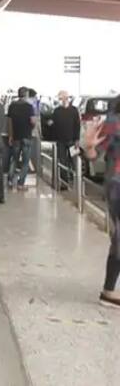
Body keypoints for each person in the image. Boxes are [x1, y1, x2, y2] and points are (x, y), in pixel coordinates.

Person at [84, 97, 120, 309]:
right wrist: (88, 147)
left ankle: (108, 291)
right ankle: (108, 292)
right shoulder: (113, 122)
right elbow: (93, 153)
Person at [7, 87, 37, 190]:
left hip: (16, 136)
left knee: (14, 159)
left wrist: (10, 135)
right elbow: (33, 121)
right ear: (26, 95)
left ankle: (10, 181)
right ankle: (20, 184)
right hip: (26, 136)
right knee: (25, 162)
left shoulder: (12, 106)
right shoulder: (29, 107)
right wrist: (31, 127)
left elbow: (9, 122)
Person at [51, 90, 81, 190]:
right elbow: (54, 125)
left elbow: (77, 125)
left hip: (72, 140)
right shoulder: (56, 111)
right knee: (62, 161)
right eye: (59, 98)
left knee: (74, 161)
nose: (60, 100)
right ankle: (64, 183)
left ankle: (77, 181)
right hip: (60, 141)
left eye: (61, 98)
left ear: (66, 98)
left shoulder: (74, 110)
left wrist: (77, 139)